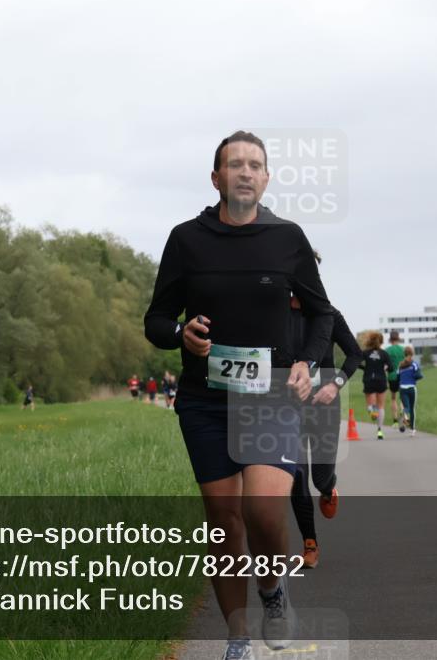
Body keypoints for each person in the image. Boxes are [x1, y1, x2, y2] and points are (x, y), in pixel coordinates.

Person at [144, 131, 335, 659]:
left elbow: (323, 314)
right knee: (224, 519)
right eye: (235, 164)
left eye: (255, 164)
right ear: (216, 178)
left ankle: (273, 591)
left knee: (264, 510)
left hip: (271, 395)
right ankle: (237, 638)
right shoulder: (186, 239)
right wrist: (178, 333)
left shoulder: (288, 238)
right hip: (205, 399)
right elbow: (156, 319)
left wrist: (306, 362)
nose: (245, 172)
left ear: (267, 178)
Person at [287, 252, 363, 570]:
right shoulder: (276, 314)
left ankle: (330, 486)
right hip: (289, 407)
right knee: (296, 476)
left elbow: (354, 354)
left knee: (319, 478)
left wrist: (335, 385)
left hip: (324, 405)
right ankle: (310, 543)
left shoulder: (329, 314)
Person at [359, 331, 392, 439]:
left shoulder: (365, 353)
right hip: (381, 379)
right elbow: (391, 367)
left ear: (370, 340)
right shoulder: (384, 354)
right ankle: (380, 430)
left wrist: (366, 368)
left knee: (371, 405)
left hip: (368, 379)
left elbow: (356, 362)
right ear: (381, 341)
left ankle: (372, 411)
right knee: (381, 406)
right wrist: (384, 367)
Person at [397, 345, 423, 436]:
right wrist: (414, 378)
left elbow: (397, 377)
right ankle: (412, 430)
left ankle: (402, 414)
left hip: (402, 388)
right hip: (412, 388)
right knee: (412, 409)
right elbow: (419, 375)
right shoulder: (414, 364)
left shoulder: (400, 365)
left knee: (406, 407)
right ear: (412, 354)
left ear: (404, 354)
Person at [384, 331, 406, 426]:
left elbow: (384, 366)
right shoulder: (403, 349)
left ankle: (395, 420)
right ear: (398, 338)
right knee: (402, 398)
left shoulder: (387, 350)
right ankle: (404, 415)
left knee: (393, 398)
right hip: (403, 375)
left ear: (390, 339)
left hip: (392, 376)